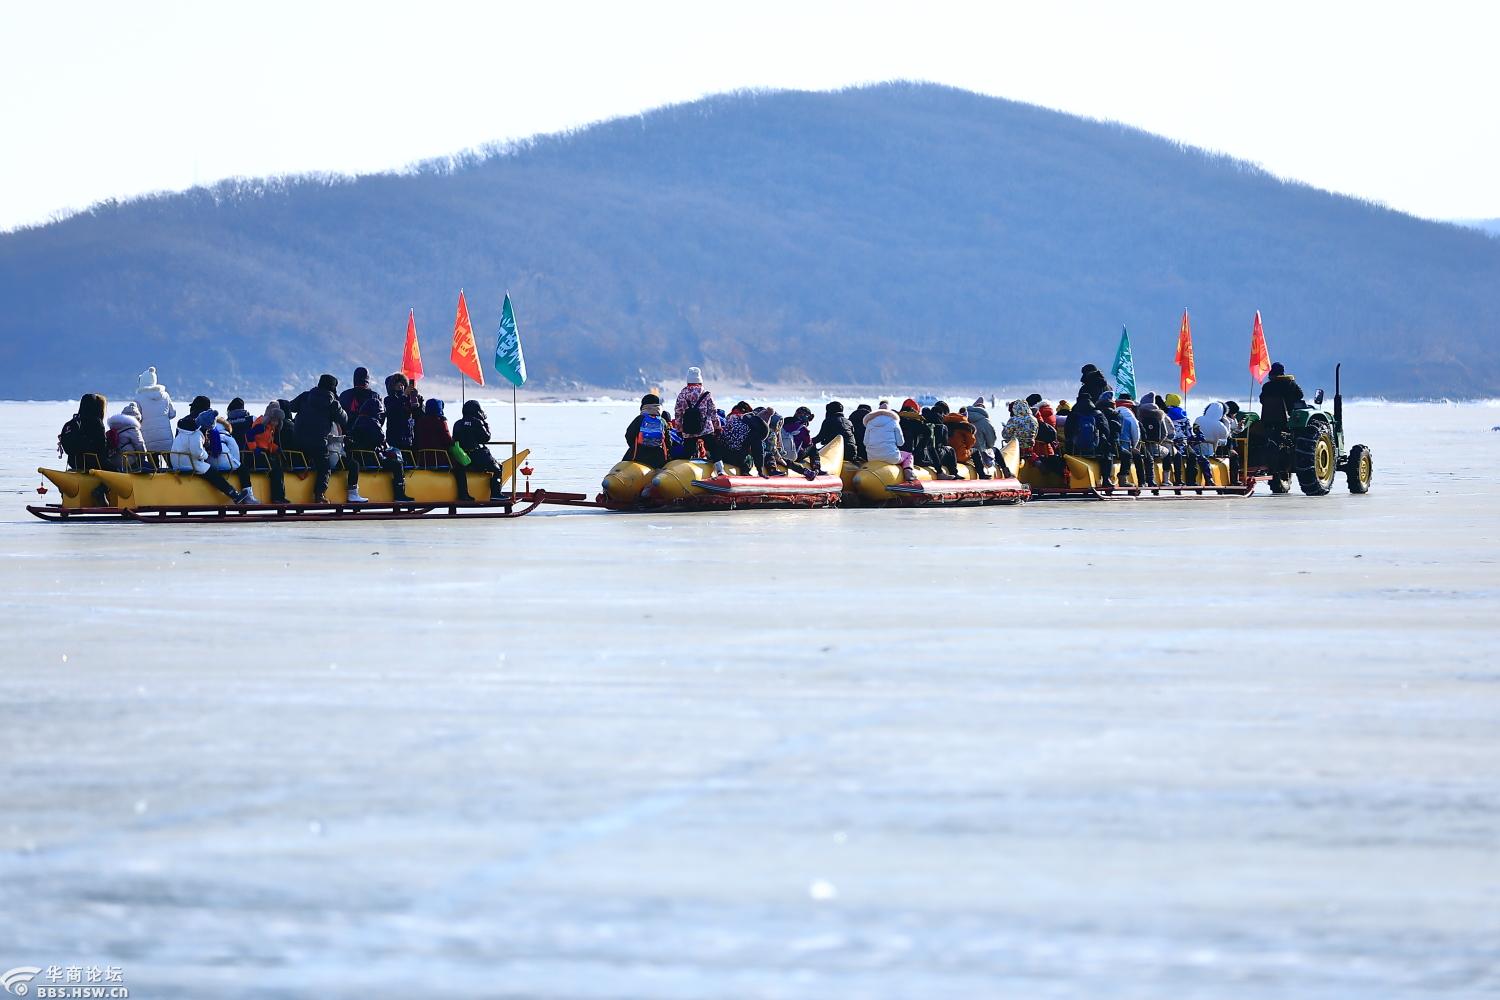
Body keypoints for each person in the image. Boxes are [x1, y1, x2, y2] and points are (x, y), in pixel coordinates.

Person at [287, 373, 359, 503]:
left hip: (297, 439)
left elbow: (290, 406)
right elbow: (344, 419)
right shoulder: (332, 402)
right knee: (325, 466)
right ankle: (319, 494)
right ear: (333, 388)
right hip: (317, 442)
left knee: (307, 456)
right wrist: (336, 402)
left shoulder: (306, 395)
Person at [170, 413, 248, 503]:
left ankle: (233, 493)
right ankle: (233, 494)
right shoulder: (196, 434)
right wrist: (206, 455)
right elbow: (197, 453)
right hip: (188, 463)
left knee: (207, 469)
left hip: (178, 461)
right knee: (213, 474)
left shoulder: (184, 430)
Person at [349, 394, 413, 501]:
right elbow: (381, 442)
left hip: (360, 458)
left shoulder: (358, 421)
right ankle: (399, 494)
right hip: (372, 459)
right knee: (397, 464)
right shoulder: (373, 424)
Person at [415, 398, 471, 501]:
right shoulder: (440, 421)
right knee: (460, 468)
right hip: (439, 458)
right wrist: (454, 443)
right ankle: (463, 494)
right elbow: (447, 439)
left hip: (423, 458)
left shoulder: (420, 421)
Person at [674, 367, 727, 475]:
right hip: (706, 428)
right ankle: (720, 471)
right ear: (700, 380)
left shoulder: (682, 395)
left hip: (688, 429)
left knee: (687, 452)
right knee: (713, 448)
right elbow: (713, 412)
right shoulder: (706, 394)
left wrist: (679, 429)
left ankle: (682, 473)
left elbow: (678, 413)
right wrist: (717, 427)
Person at [453, 400, 510, 501]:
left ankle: (463, 494)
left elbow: (455, 439)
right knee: (498, 469)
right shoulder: (478, 422)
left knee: (460, 472)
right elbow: (486, 438)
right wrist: (485, 423)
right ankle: (496, 494)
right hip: (477, 456)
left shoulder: (458, 423)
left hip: (462, 457)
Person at [862, 401, 918, 482]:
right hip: (891, 457)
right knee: (909, 455)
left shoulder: (870, 423)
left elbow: (865, 442)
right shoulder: (894, 422)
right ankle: (908, 472)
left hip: (872, 457)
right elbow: (901, 443)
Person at [246, 403, 289, 504]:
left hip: (264, 454)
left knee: (279, 466)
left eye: (278, 421)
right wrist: (254, 449)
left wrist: (276, 448)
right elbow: (249, 435)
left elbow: (267, 443)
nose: (276, 423)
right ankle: (277, 497)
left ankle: (279, 496)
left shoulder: (270, 427)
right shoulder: (261, 425)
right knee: (277, 470)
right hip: (257, 455)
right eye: (274, 420)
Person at [58, 393, 110, 472]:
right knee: (115, 468)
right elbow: (102, 445)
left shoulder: (72, 423)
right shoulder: (96, 421)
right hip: (93, 463)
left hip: (73, 462)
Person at [133, 368, 177, 456]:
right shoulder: (165, 395)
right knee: (170, 464)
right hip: (165, 438)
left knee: (153, 466)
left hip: (148, 438)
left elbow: (137, 418)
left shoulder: (138, 397)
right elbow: (172, 414)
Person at [623, 393, 673, 469]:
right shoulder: (662, 421)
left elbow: (629, 435)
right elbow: (668, 441)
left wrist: (634, 447)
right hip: (658, 457)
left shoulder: (639, 419)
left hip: (638, 455)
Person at [1136, 393, 1175, 487]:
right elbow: (1165, 433)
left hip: (1141, 446)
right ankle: (1166, 480)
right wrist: (1158, 442)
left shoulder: (1139, 413)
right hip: (1155, 447)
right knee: (1167, 453)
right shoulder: (1159, 415)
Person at [1258, 362, 1306, 432]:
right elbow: (1300, 395)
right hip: (1287, 418)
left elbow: (1262, 400)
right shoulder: (1290, 384)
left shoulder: (1267, 386)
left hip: (1268, 419)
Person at [999, 399, 1039, 477]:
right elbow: (1035, 433)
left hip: (1016, 448)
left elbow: (1005, 435)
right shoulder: (1034, 419)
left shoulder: (1014, 420)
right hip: (1030, 448)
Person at [384, 374, 420, 456]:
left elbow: (418, 414)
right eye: (398, 385)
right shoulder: (389, 399)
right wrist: (404, 395)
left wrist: (417, 399)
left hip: (408, 438)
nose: (401, 386)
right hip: (394, 438)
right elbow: (393, 409)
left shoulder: (409, 399)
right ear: (392, 386)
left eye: (402, 384)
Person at [813, 401, 857, 466]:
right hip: (851, 454)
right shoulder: (848, 422)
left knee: (814, 453)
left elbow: (820, 437)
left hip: (836, 453)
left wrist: (807, 442)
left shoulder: (829, 421)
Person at [106, 402, 146, 471]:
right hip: (127, 461)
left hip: (112, 460)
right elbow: (140, 446)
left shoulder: (114, 427)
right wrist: (143, 458)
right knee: (150, 467)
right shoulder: (133, 429)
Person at [965, 398, 998, 476]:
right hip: (979, 454)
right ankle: (1005, 471)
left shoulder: (963, 418)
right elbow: (991, 442)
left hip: (964, 453)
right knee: (996, 450)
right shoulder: (985, 421)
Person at [943, 407, 978, 476]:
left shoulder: (944, 423)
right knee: (976, 451)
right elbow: (971, 442)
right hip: (960, 456)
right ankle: (981, 473)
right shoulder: (965, 426)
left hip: (946, 457)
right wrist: (966, 448)